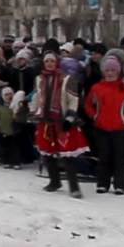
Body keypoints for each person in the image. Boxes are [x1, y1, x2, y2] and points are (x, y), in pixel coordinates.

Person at [33, 53, 88, 198]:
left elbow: (73, 100)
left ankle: (74, 187)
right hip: (46, 121)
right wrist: (34, 111)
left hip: (62, 121)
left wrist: (69, 118)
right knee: (48, 154)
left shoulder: (67, 79)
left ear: (57, 63)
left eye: (52, 61)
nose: (49, 63)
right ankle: (54, 181)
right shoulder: (39, 79)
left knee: (67, 156)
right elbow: (38, 98)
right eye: (47, 61)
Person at [83, 54, 124, 195]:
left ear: (118, 71)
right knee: (104, 156)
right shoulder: (97, 88)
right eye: (107, 70)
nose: (110, 73)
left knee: (119, 157)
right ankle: (103, 183)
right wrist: (95, 116)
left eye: (113, 71)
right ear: (103, 71)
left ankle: (120, 185)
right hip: (101, 128)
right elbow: (88, 104)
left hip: (120, 128)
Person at [0, 87, 20, 169]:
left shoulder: (16, 106)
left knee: (14, 148)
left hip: (14, 131)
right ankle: (6, 161)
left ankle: (16, 162)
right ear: (3, 97)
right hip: (3, 131)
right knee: (4, 147)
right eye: (6, 95)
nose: (8, 96)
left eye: (10, 94)